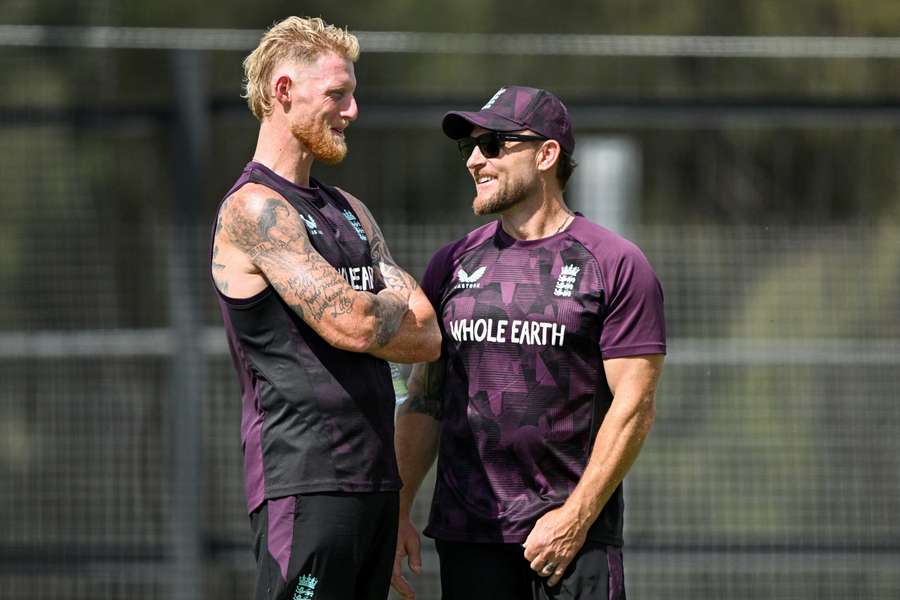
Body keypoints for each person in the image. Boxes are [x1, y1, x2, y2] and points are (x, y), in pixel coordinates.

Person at [392, 86, 666, 600]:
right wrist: (399, 508)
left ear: (546, 154)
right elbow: (425, 399)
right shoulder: (450, 264)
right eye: (469, 147)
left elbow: (635, 405)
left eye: (494, 144)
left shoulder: (614, 264)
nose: (475, 160)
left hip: (571, 542)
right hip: (469, 536)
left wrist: (575, 518)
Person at [210, 16, 441, 600]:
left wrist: (368, 317)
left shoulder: (350, 210)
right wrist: (377, 312)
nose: (353, 110)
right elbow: (352, 322)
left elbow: (429, 332)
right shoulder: (254, 209)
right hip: (306, 485)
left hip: (377, 486)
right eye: (338, 94)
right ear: (283, 91)